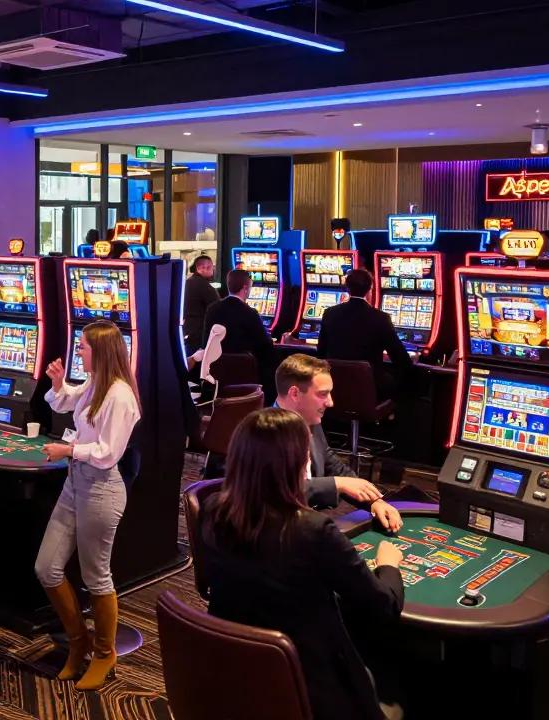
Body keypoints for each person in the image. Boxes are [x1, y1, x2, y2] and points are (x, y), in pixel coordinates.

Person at [198, 408, 405, 720]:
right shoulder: (312, 530)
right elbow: (384, 605)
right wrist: (388, 564)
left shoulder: (213, 509)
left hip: (235, 672)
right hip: (310, 687)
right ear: (295, 464)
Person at [34, 320, 141, 691]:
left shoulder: (121, 396)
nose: (78, 351)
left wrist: (68, 450)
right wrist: (57, 382)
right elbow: (66, 400)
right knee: (46, 568)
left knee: (97, 577)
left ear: (101, 351)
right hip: (75, 483)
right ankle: (78, 641)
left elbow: (108, 453)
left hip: (101, 488)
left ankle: (104, 652)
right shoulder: (95, 384)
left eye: (82, 346)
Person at [275, 354, 402, 531]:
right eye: (322, 394)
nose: (330, 402)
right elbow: (280, 493)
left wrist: (373, 502)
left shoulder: (308, 420)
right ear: (295, 393)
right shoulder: (264, 432)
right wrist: (338, 484)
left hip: (305, 525)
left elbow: (331, 464)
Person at [317, 268, 412, 400]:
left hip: (336, 385)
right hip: (371, 387)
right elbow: (399, 357)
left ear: (347, 287)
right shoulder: (380, 317)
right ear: (370, 287)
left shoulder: (330, 313)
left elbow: (320, 352)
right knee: (408, 381)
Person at [202, 268, 276, 391]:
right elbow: (264, 346)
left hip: (217, 376)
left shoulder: (212, 309)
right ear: (246, 288)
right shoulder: (249, 312)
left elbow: (206, 343)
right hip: (245, 374)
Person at [182, 255, 220, 355]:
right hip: (200, 333)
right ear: (201, 268)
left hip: (187, 330)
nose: (212, 270)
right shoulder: (204, 286)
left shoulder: (187, 283)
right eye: (211, 267)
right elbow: (218, 309)